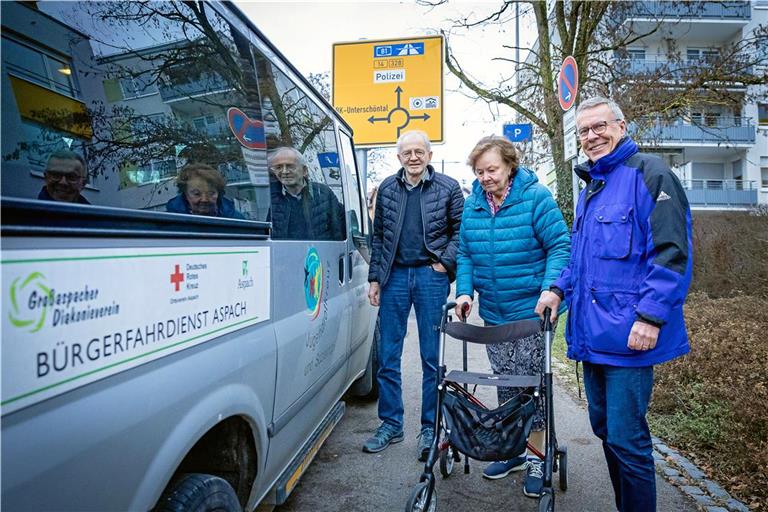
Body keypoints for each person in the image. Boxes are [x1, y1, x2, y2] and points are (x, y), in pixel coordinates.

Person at [550, 96, 693, 512]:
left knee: (628, 440)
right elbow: (582, 259)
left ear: (621, 126)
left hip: (630, 335)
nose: (592, 136)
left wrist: (650, 317)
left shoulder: (651, 173)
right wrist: (557, 290)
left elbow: (672, 253)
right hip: (592, 336)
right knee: (606, 432)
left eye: (600, 126)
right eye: (584, 131)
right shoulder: (590, 188)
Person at [453, 135, 570, 498]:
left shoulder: (536, 198)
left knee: (531, 386)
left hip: (532, 313)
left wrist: (551, 289)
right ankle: (515, 450)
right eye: (479, 171)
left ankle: (536, 457)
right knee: (505, 383)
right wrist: (464, 292)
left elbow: (560, 245)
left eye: (492, 169)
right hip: (495, 314)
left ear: (509, 166)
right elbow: (466, 254)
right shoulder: (473, 205)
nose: (485, 177)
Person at [364, 130, 464, 461]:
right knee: (388, 355)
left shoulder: (448, 187)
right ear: (399, 157)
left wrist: (444, 263)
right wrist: (375, 278)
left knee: (431, 357)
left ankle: (430, 428)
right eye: (407, 152)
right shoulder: (387, 189)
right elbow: (379, 237)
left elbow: (460, 232)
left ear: (429, 155)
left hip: (429, 277)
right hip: (393, 277)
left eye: (419, 151)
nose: (413, 157)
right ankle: (391, 424)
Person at [268, 147, 345, 240]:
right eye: (278, 167)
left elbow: (339, 231)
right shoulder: (270, 198)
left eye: (290, 166)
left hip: (319, 249)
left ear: (304, 170)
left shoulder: (324, 194)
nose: (284, 171)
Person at [166, 163, 244, 219]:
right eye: (197, 194)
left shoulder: (236, 220)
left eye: (211, 193)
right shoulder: (169, 221)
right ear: (185, 194)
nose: (204, 199)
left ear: (218, 194)